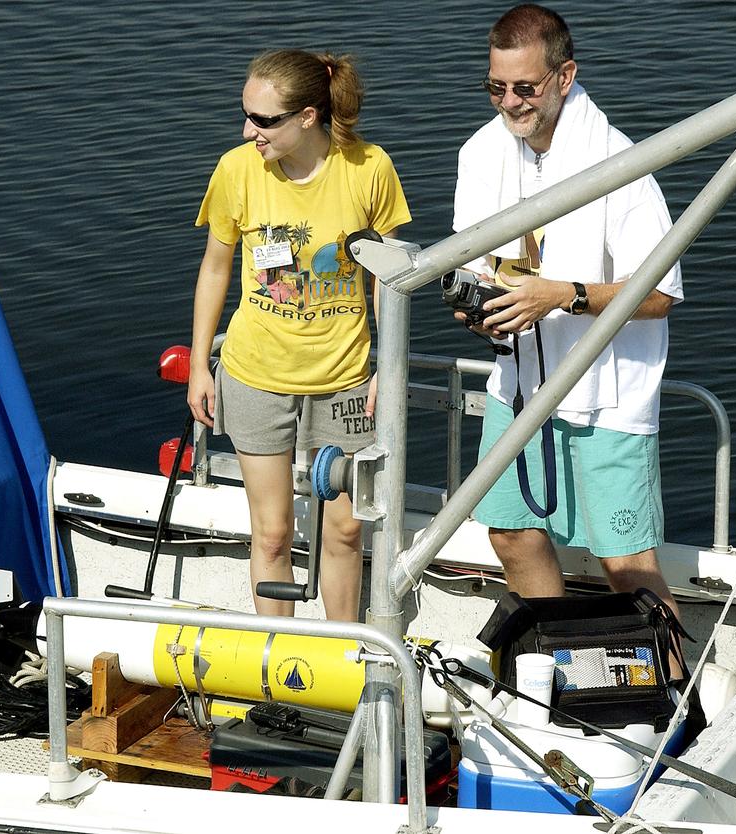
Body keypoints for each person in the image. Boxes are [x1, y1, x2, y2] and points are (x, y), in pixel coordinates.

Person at [454, 5, 684, 624]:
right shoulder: (480, 154)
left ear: (564, 76)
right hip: (519, 382)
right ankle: (555, 660)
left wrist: (563, 296)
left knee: (625, 566)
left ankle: (676, 697)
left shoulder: (622, 163)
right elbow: (475, 263)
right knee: (507, 527)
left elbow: (659, 295)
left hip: (607, 396)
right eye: (496, 87)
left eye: (524, 88)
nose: (509, 103)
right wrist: (480, 307)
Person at [187, 49, 411, 622]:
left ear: (308, 116)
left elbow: (390, 280)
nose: (249, 131)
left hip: (345, 383)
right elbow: (215, 268)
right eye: (247, 116)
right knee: (271, 535)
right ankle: (276, 673)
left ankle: (345, 661)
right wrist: (197, 365)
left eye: (264, 121)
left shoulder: (369, 169)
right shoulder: (237, 169)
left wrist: (390, 367)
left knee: (344, 532)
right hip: (255, 376)